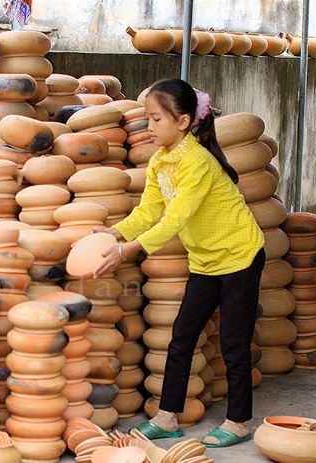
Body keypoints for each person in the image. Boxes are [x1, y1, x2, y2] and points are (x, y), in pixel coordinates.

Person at [90, 78, 265, 448]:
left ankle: (238, 422)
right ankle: (168, 417)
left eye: (155, 119)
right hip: (205, 261)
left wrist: (129, 250)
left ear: (183, 122)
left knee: (233, 343)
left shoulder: (198, 162)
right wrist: (112, 234)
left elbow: (175, 220)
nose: (148, 127)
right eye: (148, 120)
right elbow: (149, 211)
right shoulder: (160, 162)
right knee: (181, 338)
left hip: (240, 257)